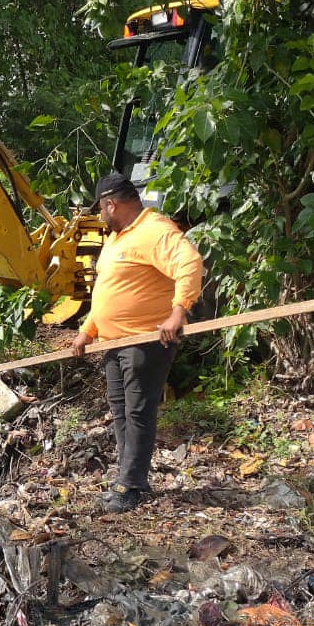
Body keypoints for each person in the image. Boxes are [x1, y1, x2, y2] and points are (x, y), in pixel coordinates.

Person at [71, 172, 203, 513]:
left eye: (100, 209)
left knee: (138, 413)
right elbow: (107, 292)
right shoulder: (117, 238)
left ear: (111, 204)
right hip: (112, 343)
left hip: (144, 341)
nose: (100, 216)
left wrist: (178, 312)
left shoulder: (153, 230)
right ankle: (127, 480)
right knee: (120, 413)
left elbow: (189, 262)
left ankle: (130, 486)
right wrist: (88, 330)